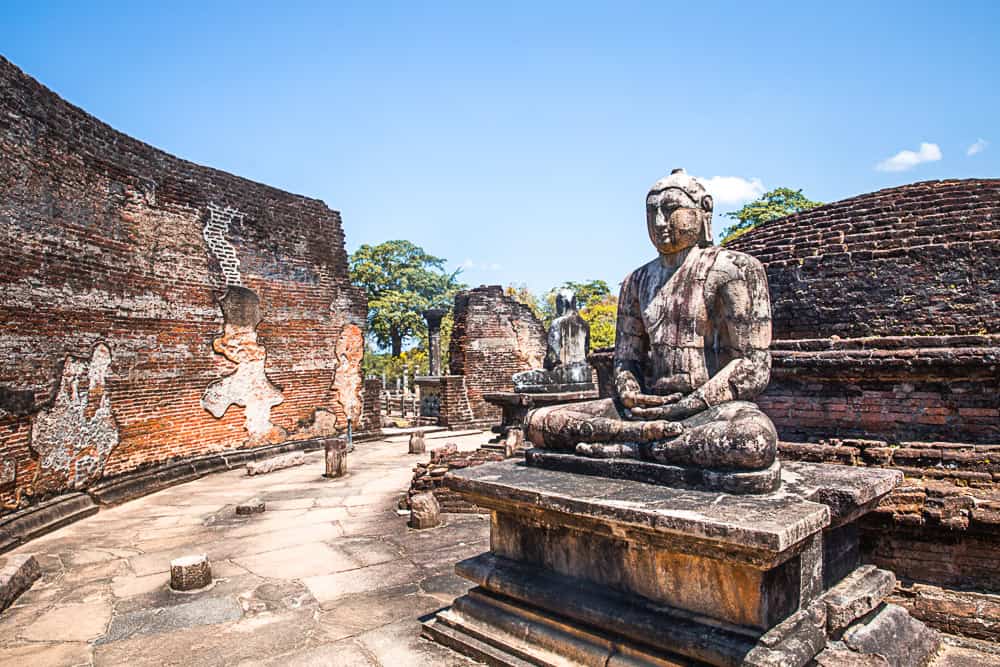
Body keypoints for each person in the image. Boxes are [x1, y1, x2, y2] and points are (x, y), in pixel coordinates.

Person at [524, 169, 777, 471]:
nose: (659, 223)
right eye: (652, 212)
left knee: (752, 441)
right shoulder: (637, 280)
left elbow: (754, 365)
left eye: (671, 210)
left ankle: (632, 446)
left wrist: (689, 404)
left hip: (710, 410)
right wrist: (629, 391)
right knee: (538, 422)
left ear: (704, 209)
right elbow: (626, 359)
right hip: (646, 409)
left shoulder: (734, 269)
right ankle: (648, 442)